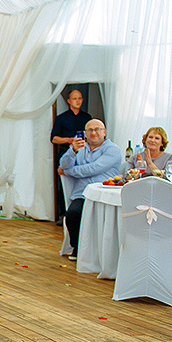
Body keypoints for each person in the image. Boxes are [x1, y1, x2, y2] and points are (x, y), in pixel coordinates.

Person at [59, 119, 122, 262]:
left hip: (104, 195)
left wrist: (68, 172)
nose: (94, 133)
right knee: (72, 214)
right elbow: (63, 163)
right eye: (90, 130)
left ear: (104, 132)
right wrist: (73, 151)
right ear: (85, 134)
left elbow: (93, 169)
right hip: (82, 193)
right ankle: (77, 247)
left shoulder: (113, 149)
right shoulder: (80, 147)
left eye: (97, 129)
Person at [50, 88, 92, 219]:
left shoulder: (87, 117)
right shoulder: (62, 118)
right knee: (64, 181)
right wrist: (70, 140)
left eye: (79, 98)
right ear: (69, 101)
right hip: (66, 154)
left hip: (85, 154)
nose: (77, 101)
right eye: (75, 98)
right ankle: (63, 213)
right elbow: (54, 138)